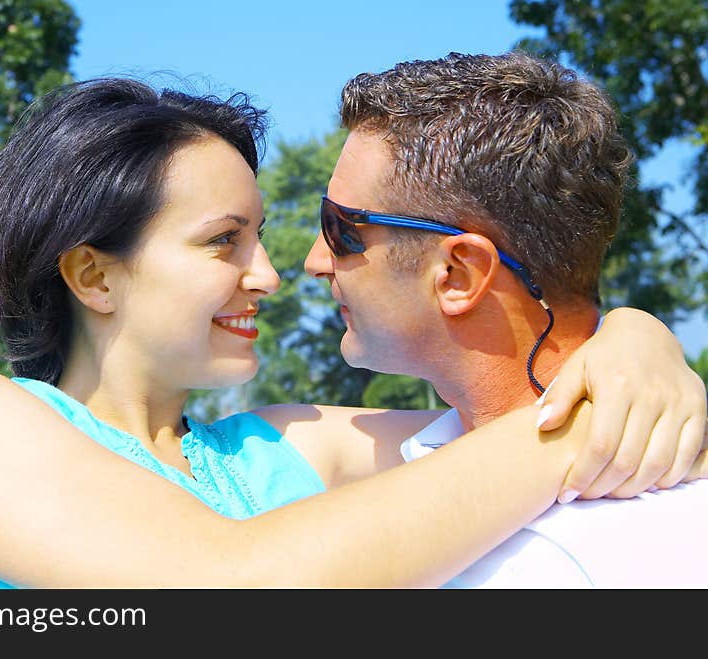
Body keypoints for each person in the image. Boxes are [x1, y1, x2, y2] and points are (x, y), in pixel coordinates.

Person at [0, 75, 705, 589]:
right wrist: (583, 431)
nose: (271, 273)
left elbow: (505, 405)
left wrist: (634, 337)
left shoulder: (284, 448)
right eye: (221, 241)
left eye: (262, 234)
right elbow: (225, 587)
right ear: (93, 274)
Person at [283, 51, 707, 587]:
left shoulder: (568, 562)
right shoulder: (434, 455)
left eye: (342, 229)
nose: (315, 261)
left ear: (459, 274)